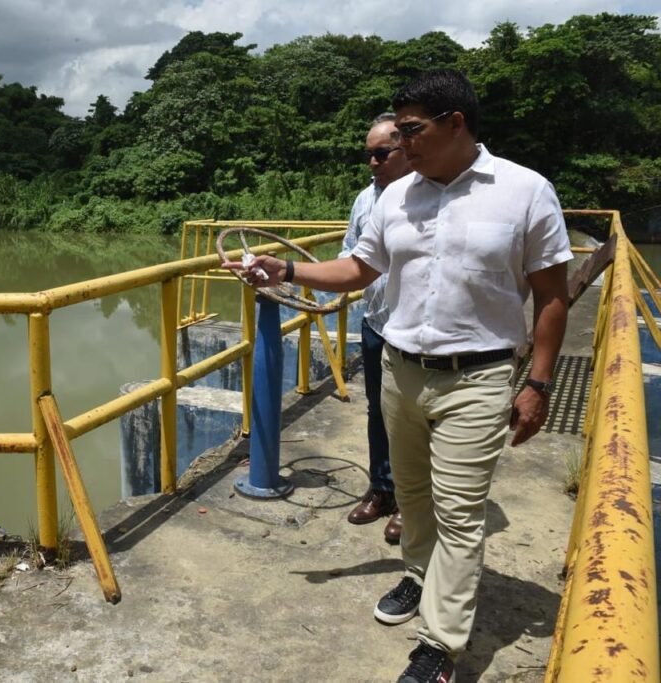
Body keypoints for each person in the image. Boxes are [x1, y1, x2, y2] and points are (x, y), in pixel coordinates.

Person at [225, 69, 571, 683]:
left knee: (459, 513)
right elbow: (359, 270)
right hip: (400, 370)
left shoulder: (525, 191)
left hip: (478, 378)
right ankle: (417, 575)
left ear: (455, 123)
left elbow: (551, 296)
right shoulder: (396, 196)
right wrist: (286, 271)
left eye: (410, 131)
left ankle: (439, 646)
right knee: (411, 497)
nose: (398, 145)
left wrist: (538, 384)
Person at [341, 113, 411, 544]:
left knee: (411, 416)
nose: (372, 162)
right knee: (377, 411)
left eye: (381, 153)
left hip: (413, 329)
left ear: (406, 149)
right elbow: (350, 252)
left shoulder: (424, 196)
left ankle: (409, 501)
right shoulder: (365, 199)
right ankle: (382, 490)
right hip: (376, 322)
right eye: (368, 154)